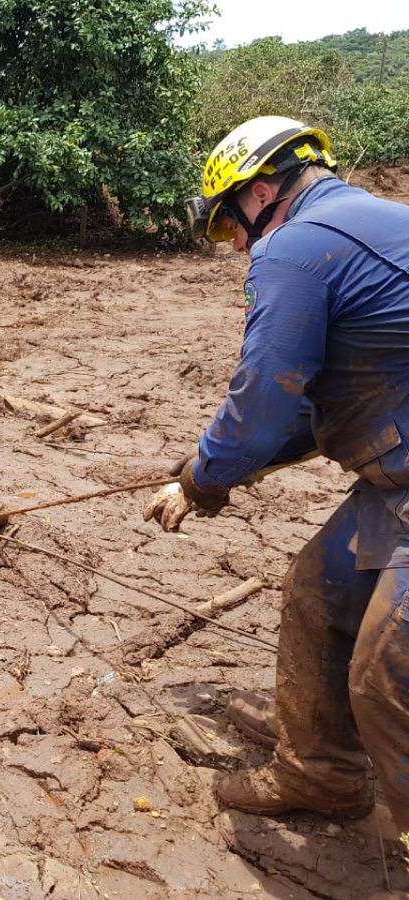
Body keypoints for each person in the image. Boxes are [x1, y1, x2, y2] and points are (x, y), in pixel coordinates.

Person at [145, 116, 409, 838]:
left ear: (261, 192)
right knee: (320, 589)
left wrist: (205, 479)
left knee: (387, 673)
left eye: (228, 224)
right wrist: (207, 470)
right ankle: (318, 770)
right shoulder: (376, 224)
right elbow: (298, 414)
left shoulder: (295, 248)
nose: (234, 244)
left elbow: (263, 399)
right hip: (397, 484)